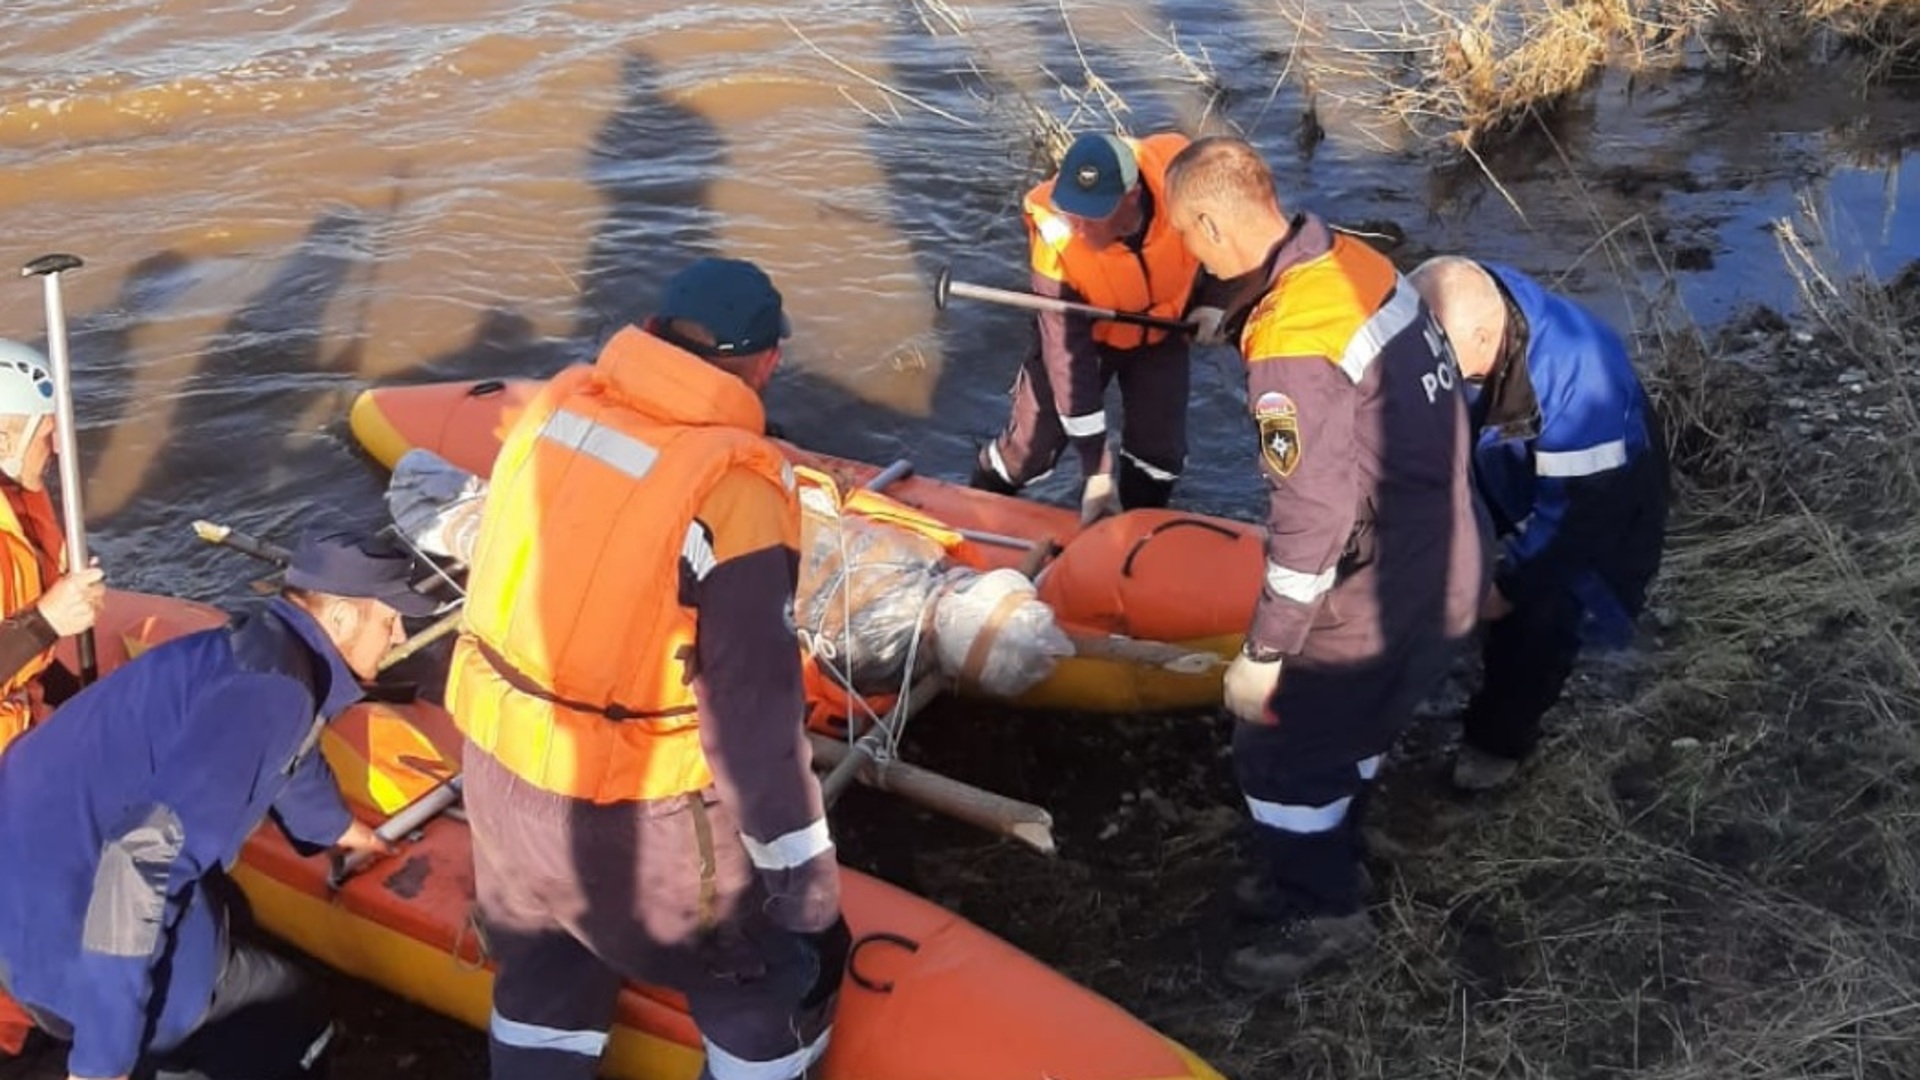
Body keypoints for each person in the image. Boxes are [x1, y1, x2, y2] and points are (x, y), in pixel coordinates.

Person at [448, 257, 850, 1080]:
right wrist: (804, 885)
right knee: (768, 986)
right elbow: (751, 719)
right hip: (627, 812)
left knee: (542, 977)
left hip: (496, 777)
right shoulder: (733, 488)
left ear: (655, 332)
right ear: (768, 362)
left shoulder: (557, 408)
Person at [1162, 136, 1488, 990]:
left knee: (1277, 753)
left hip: (1379, 587)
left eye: (1186, 239)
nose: (1186, 255)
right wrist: (1230, 318)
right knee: (1362, 726)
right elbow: (1347, 382)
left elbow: (1311, 521)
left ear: (1205, 220)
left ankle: (1322, 911)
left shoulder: (1292, 351)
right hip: (1451, 551)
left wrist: (1265, 655)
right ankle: (1344, 834)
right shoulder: (1353, 261)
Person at [0, 528, 427, 1080]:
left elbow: (291, 750)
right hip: (60, 940)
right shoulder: (273, 694)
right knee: (294, 1013)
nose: (399, 636)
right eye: (389, 619)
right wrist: (99, 1065)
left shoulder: (256, 649)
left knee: (228, 914)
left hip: (20, 902)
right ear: (341, 618)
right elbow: (137, 869)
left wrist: (333, 828)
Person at [1410, 257, 1669, 791]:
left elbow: (1574, 525)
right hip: (1502, 442)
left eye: (1440, 359)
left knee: (1551, 610)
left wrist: (1507, 590)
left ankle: (1495, 745)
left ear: (1483, 338)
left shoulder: (1583, 387)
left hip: (1604, 480)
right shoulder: (1457, 296)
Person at [970, 131, 1202, 524]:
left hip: (1163, 331)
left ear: (1131, 199)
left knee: (1159, 455)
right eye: (1070, 209)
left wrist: (1214, 302)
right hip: (1085, 340)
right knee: (1030, 451)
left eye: (1089, 215)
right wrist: (1096, 468)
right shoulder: (1057, 249)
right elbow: (1067, 360)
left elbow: (1228, 237)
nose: (1075, 227)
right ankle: (975, 505)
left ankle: (1132, 533)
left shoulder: (1183, 182)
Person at [0, 339, 107, 761]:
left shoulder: (19, 505)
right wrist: (46, 620)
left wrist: (78, 698)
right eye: (48, 433)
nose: (60, 447)